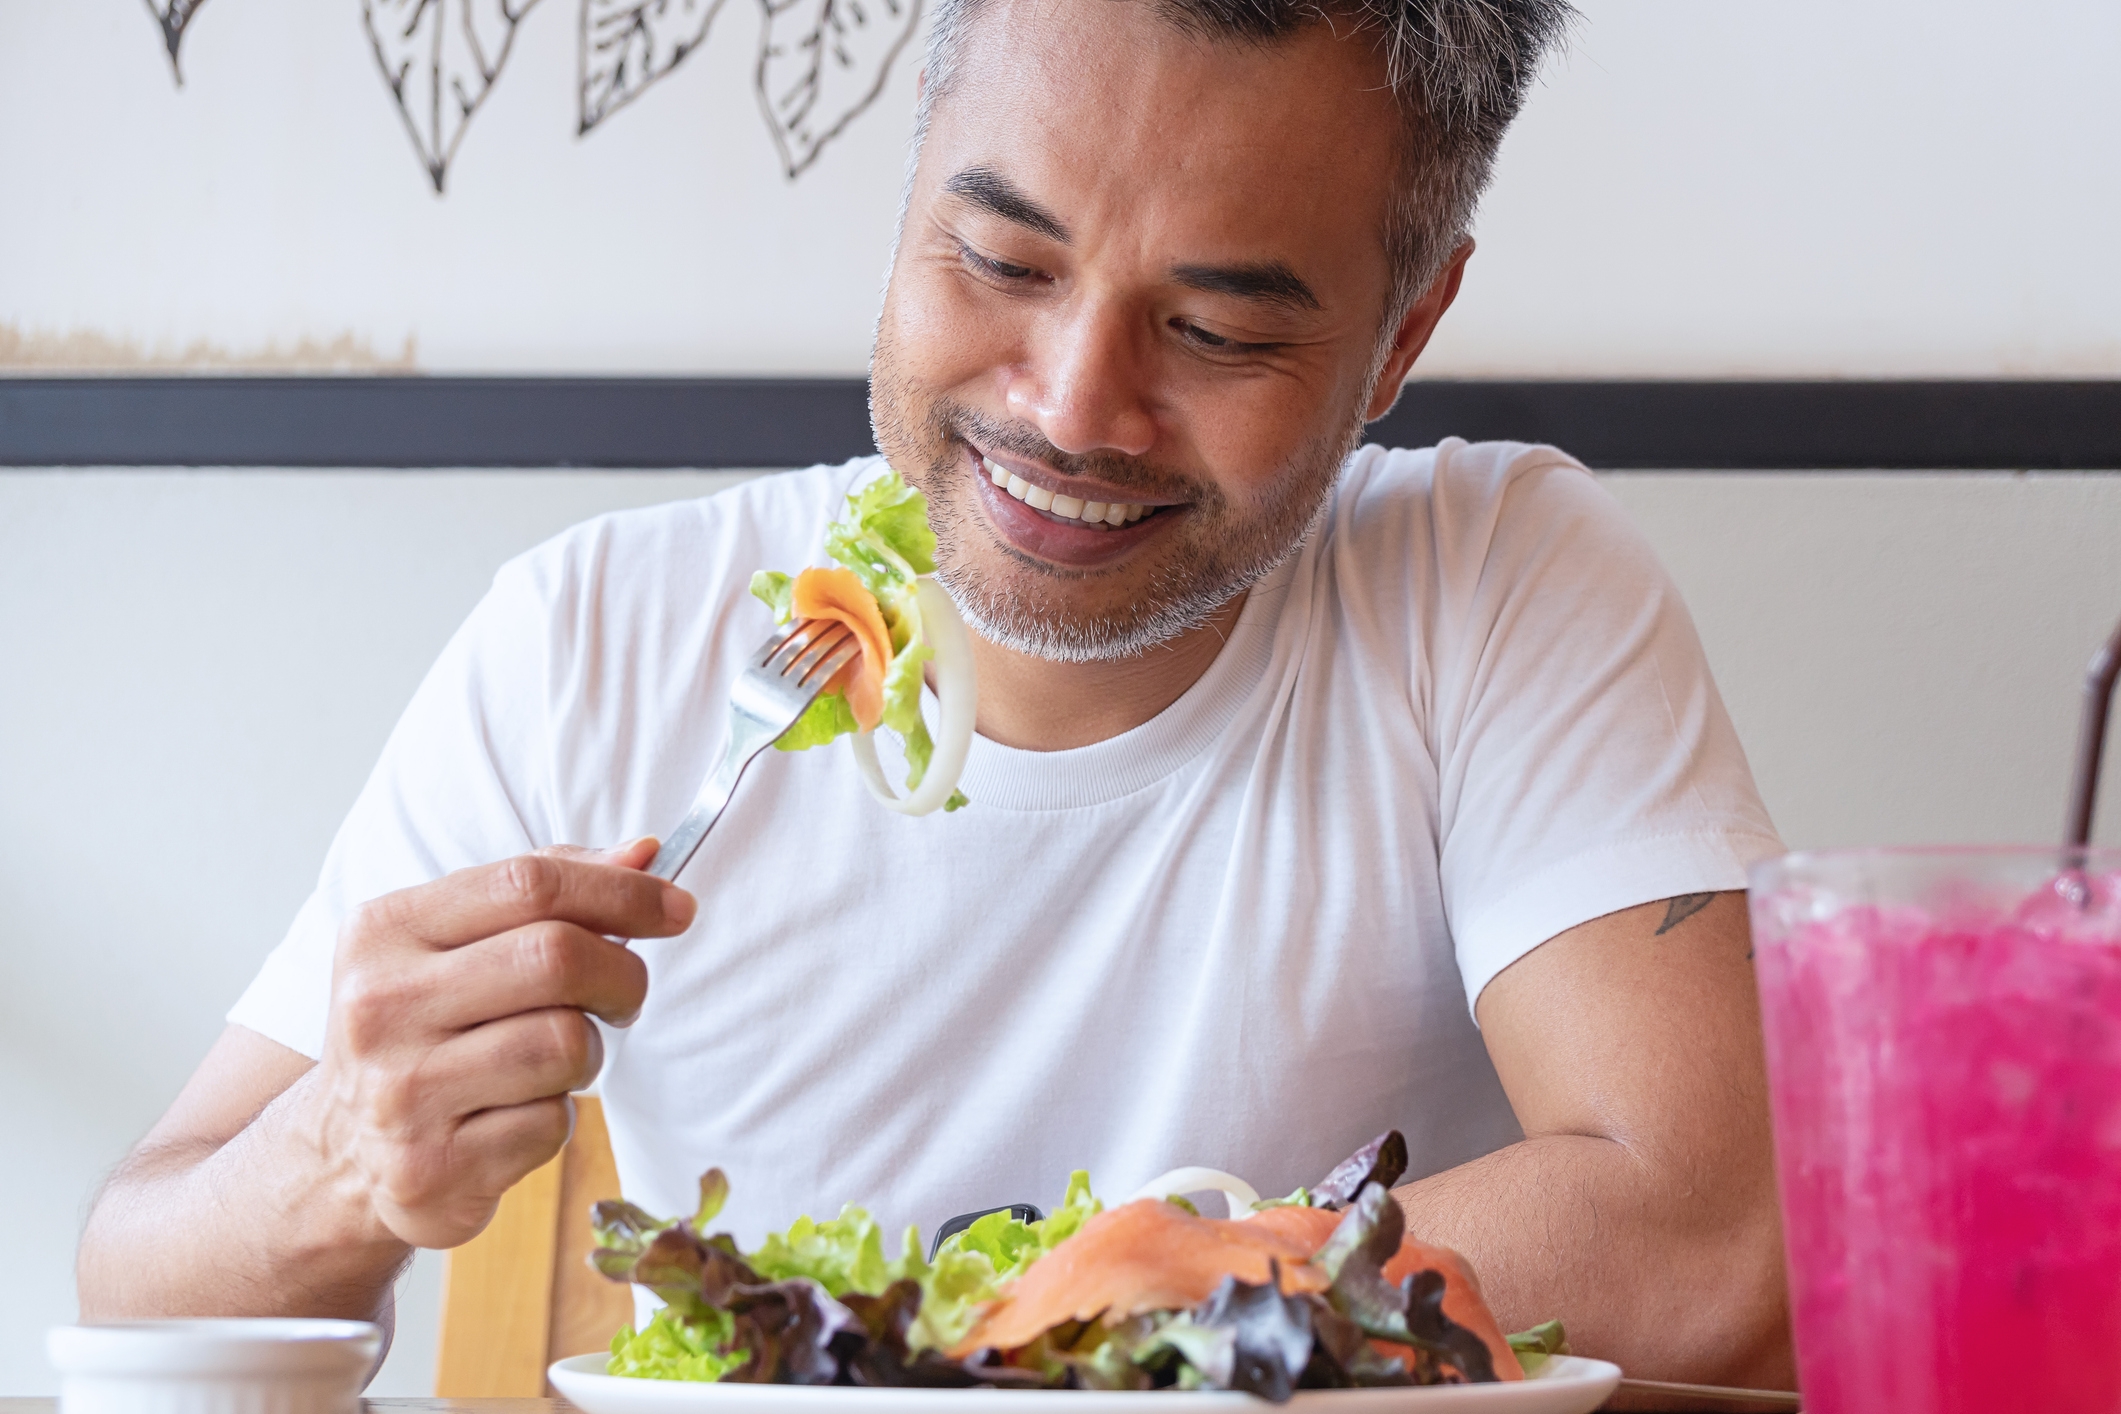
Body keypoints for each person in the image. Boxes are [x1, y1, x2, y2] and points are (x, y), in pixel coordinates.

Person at [78, 0, 1794, 1388]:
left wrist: (1046, 1319)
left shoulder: (1495, 579)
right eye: (999, 259)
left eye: (1210, 330)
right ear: (904, 209)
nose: (1068, 406)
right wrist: (338, 1158)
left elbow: (1717, 1236)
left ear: (1401, 333)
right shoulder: (592, 638)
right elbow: (137, 1287)